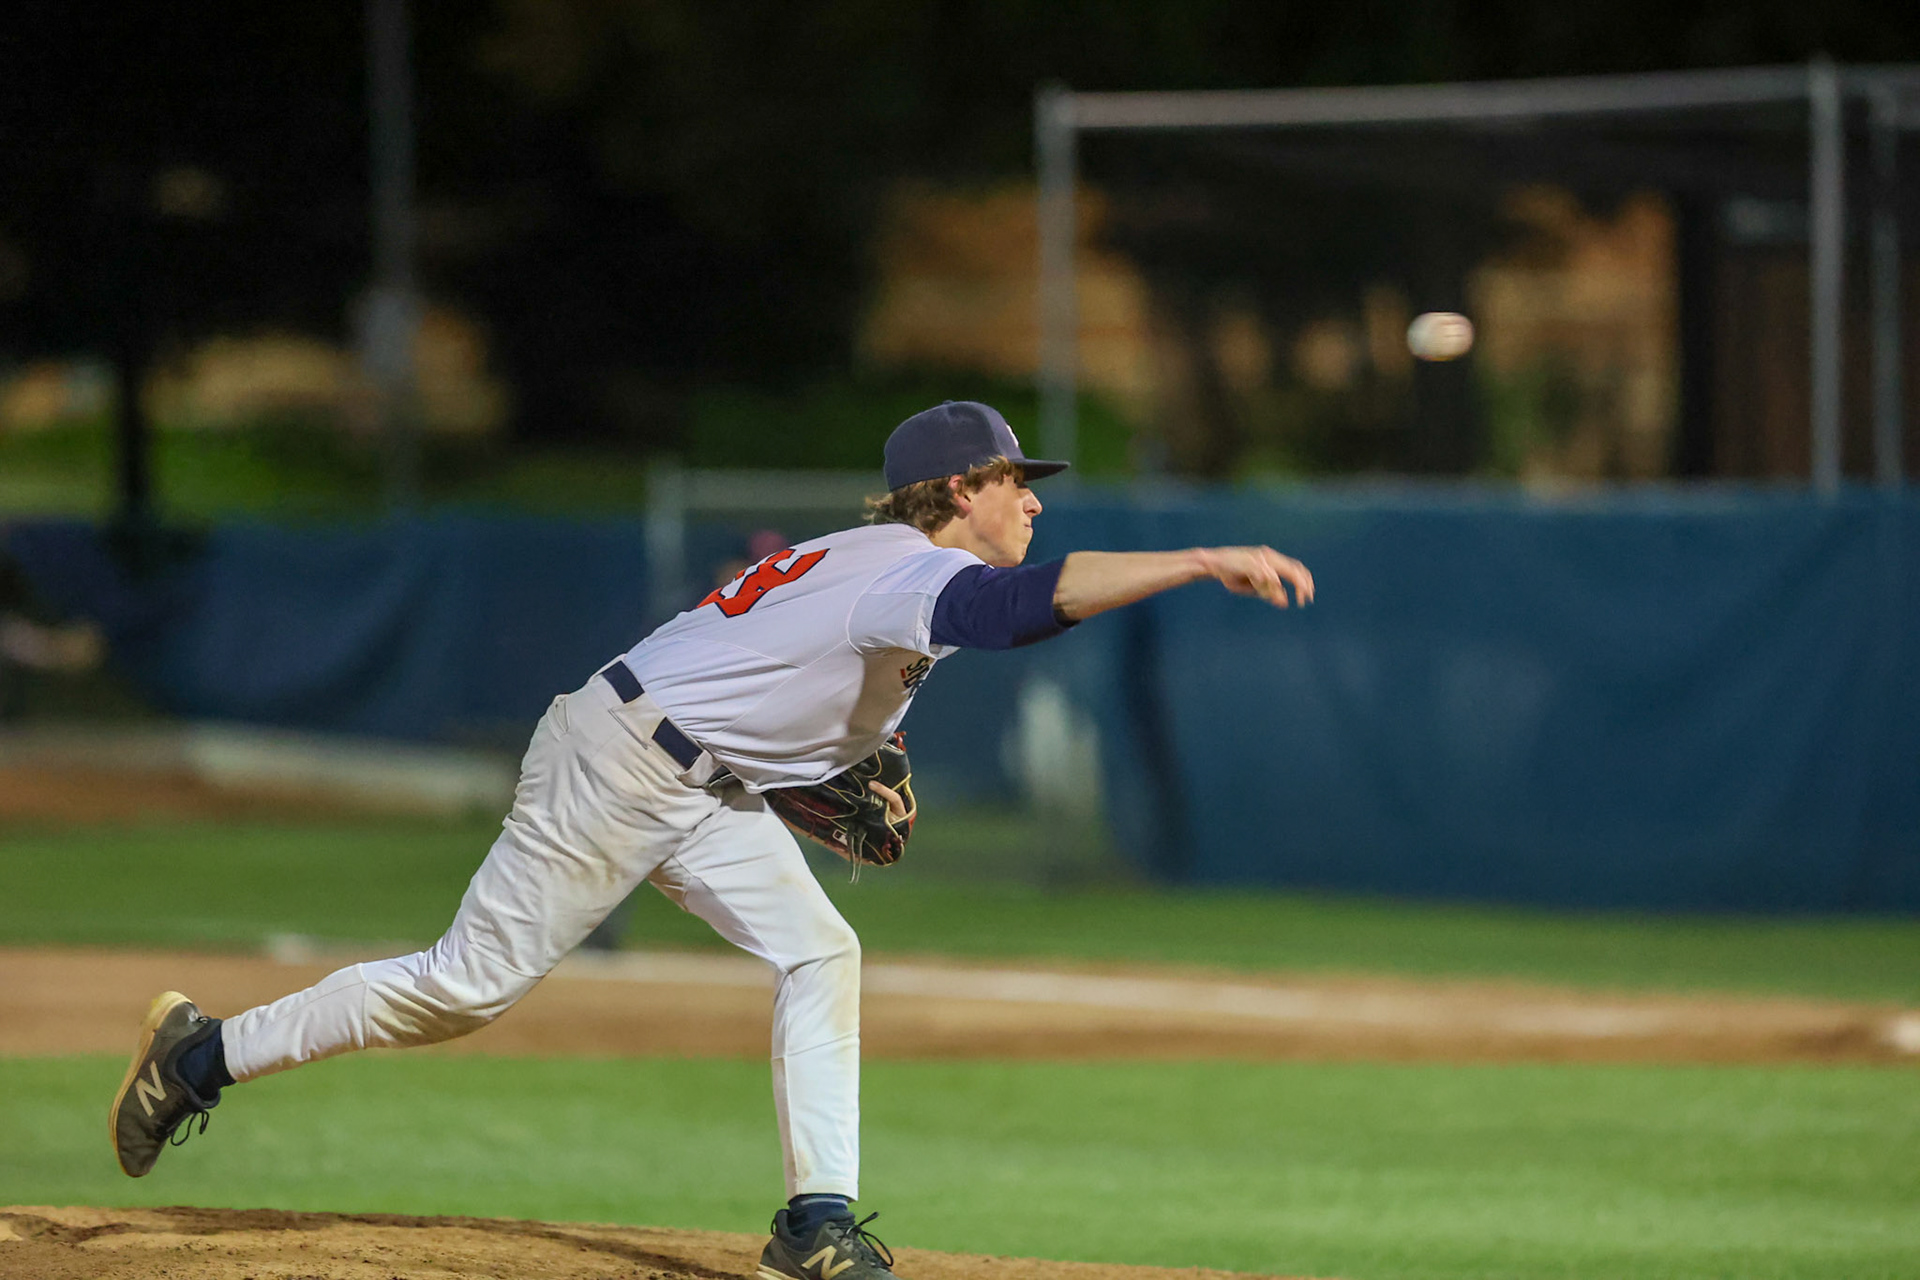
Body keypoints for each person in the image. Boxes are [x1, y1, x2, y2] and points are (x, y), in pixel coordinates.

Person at [108, 400, 1314, 1280]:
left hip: (690, 775)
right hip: (622, 764)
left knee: (821, 952)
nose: (1032, 498)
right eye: (1013, 480)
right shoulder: (908, 568)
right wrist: (1201, 559)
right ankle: (200, 1055)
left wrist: (818, 767)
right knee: (463, 987)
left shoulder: (876, 564)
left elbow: (778, 678)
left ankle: (813, 1226)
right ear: (956, 490)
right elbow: (1015, 608)